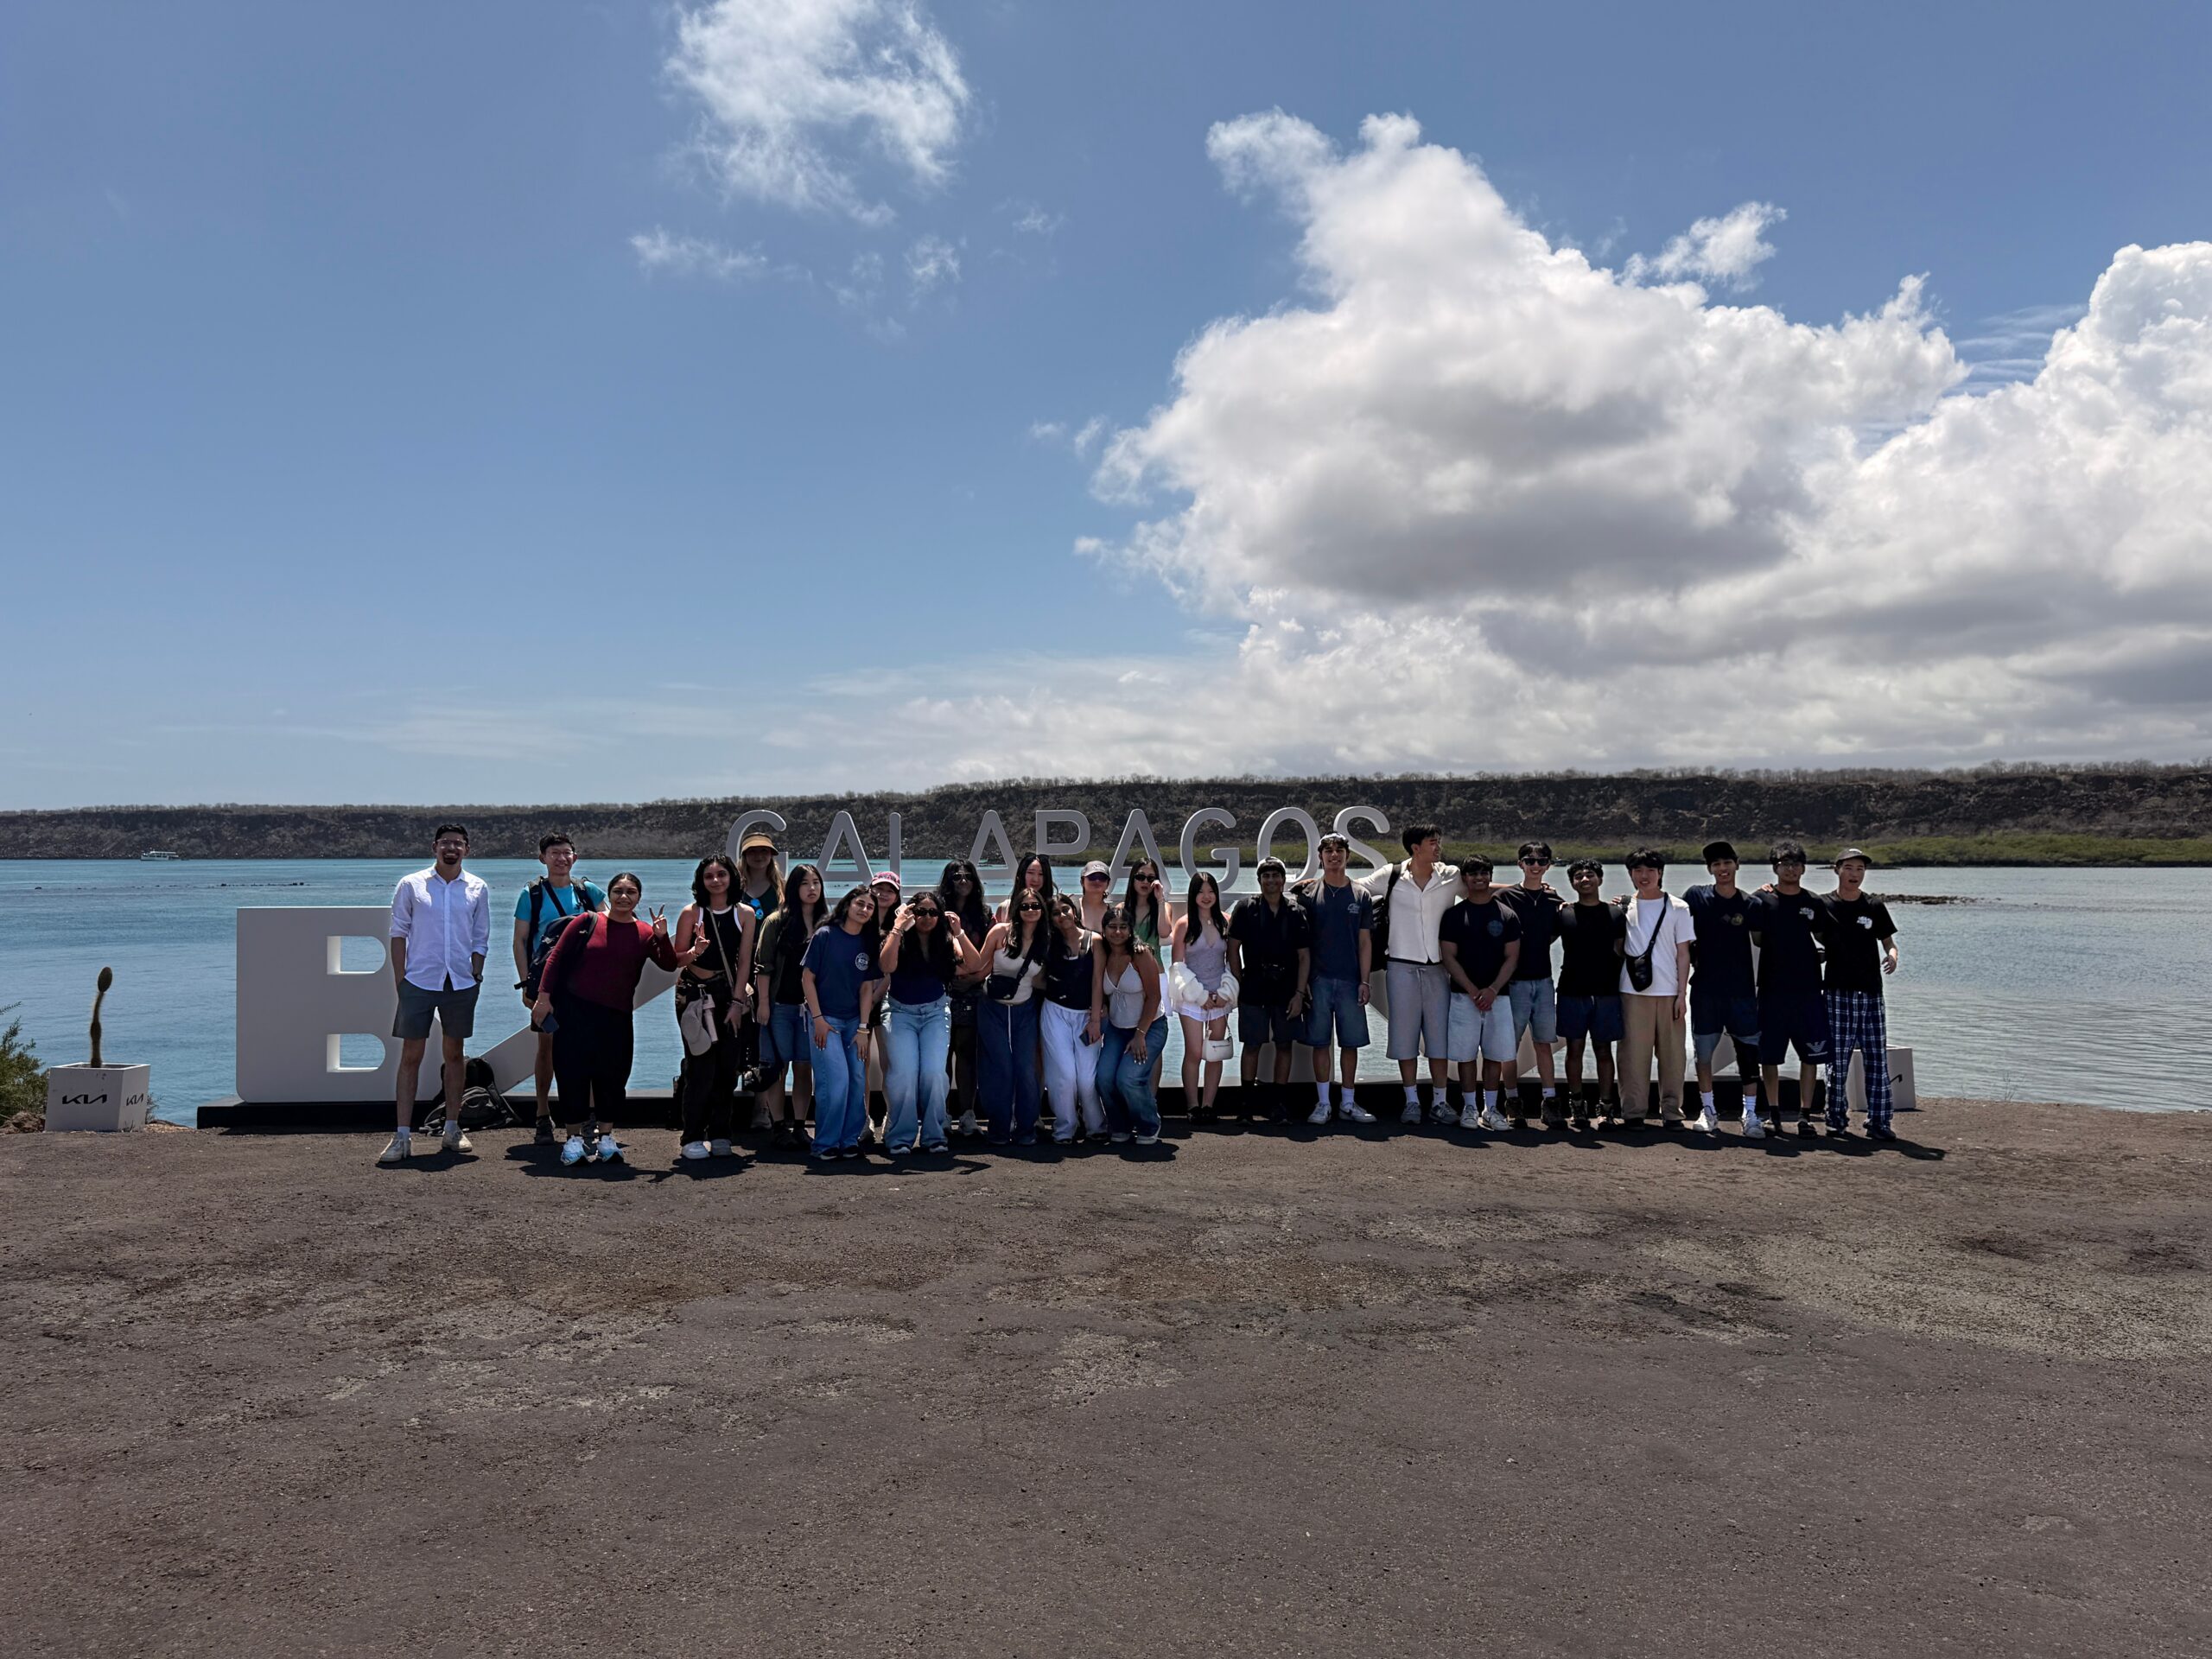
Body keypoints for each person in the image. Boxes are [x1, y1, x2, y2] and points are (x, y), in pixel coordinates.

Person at [531, 872, 703, 1166]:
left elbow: (667, 964)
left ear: (639, 898)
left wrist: (674, 943)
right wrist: (544, 998)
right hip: (575, 1011)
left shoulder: (644, 932)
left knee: (613, 1075)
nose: (624, 897)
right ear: (609, 894)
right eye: (618, 891)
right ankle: (573, 1139)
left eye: (631, 892)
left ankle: (606, 1138)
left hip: (617, 1016)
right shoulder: (586, 922)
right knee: (572, 1073)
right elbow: (556, 958)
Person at [381, 824, 493, 1165]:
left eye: (458, 844)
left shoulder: (477, 887)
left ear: (467, 850)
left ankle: (452, 1129)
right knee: (411, 1056)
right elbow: (398, 932)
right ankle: (402, 1136)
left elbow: (480, 935)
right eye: (446, 843)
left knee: (455, 1054)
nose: (451, 849)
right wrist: (401, 979)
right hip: (419, 981)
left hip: (460, 981)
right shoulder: (412, 885)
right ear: (435, 847)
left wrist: (476, 970)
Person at [511, 831, 605, 1144]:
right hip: (548, 984)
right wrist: (527, 984)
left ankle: (589, 1115)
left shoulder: (588, 891)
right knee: (547, 1049)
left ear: (575, 857)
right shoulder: (532, 894)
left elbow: (610, 927)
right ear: (543, 858)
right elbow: (521, 940)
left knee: (589, 1049)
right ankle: (542, 1115)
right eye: (554, 853)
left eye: (567, 853)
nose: (561, 859)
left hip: (587, 982)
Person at [1368, 823, 1461, 1125]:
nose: (1438, 847)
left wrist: (1524, 888)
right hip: (1400, 967)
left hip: (1438, 969)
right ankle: (1411, 1102)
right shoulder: (1392, 875)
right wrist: (1311, 884)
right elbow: (1355, 888)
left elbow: (1480, 889)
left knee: (1439, 1040)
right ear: (1415, 847)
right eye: (1432, 842)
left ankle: (1440, 1102)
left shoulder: (1450, 875)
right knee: (1404, 1038)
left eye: (1438, 841)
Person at [878, 888, 979, 1154]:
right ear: (911, 912)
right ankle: (900, 1137)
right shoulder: (898, 938)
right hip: (900, 1013)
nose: (926, 917)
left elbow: (974, 964)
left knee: (935, 1074)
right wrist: (898, 926)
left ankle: (934, 1135)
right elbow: (886, 966)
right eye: (920, 911)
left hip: (935, 1012)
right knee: (904, 1075)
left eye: (933, 912)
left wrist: (958, 931)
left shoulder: (945, 941)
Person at [1681, 840, 1769, 1138]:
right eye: (1716, 865)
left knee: (1748, 1053)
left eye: (1727, 863)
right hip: (1705, 990)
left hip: (1742, 992)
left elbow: (1765, 941)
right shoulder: (1696, 896)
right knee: (1703, 1054)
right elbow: (1668, 916)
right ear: (1710, 870)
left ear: (1736, 865)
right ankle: (1708, 1112)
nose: (1722, 869)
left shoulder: (1752, 904)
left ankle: (1751, 1114)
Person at [672, 855, 757, 1161]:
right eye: (709, 876)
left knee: (727, 1067)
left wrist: (737, 1003)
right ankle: (691, 1136)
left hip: (727, 991)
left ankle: (721, 1133)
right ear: (701, 881)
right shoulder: (691, 913)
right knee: (700, 1066)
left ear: (732, 877)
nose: (716, 881)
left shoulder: (745, 913)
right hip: (693, 993)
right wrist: (695, 951)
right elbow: (676, 960)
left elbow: (745, 961)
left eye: (722, 874)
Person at [1749, 842, 1832, 1139]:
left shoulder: (1814, 902)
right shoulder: (1761, 899)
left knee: (1811, 1055)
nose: (1791, 869)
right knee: (1768, 1056)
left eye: (1796, 864)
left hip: (1808, 990)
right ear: (1775, 868)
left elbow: (1825, 936)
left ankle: (1805, 1116)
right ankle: (1772, 1114)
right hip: (1772, 990)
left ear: (1804, 868)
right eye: (1784, 864)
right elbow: (1757, 939)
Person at [1819, 849, 1902, 1140]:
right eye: (1849, 868)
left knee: (1877, 1060)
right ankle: (1836, 1120)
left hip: (1870, 994)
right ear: (1837, 869)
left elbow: (1889, 942)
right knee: (1837, 1063)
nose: (1855, 874)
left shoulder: (1874, 905)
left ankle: (1879, 1122)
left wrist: (1892, 956)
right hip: (1837, 993)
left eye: (1860, 869)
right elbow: (1804, 930)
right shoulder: (1824, 904)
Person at [1295, 833, 1377, 1126]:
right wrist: (1301, 983)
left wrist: (1365, 981)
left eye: (1339, 850)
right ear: (1320, 856)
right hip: (1317, 980)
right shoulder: (1307, 894)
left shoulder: (1361, 896)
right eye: (1328, 851)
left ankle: (1348, 1102)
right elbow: (1300, 943)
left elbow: (1365, 942)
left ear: (1347, 855)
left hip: (1350, 980)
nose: (1334, 855)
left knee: (1350, 1044)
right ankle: (1322, 1103)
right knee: (1320, 1043)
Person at [1226, 856, 1311, 1124]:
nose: (1271, 880)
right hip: (1253, 987)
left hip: (1287, 989)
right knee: (1252, 1046)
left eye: (1276, 875)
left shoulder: (1296, 912)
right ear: (1260, 880)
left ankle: (1279, 1104)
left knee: (1284, 1046)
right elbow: (1232, 948)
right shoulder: (1245, 909)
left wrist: (1299, 994)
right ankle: (1246, 1106)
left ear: (1283, 880)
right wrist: (1239, 981)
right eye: (1266, 876)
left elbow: (1304, 957)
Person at [1440, 859, 1522, 1132]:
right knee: (1465, 1057)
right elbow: (1448, 957)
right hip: (1464, 998)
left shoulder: (1507, 915)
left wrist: (1493, 989)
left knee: (1495, 1056)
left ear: (1490, 876)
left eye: (1484, 873)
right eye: (1473, 873)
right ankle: (1469, 1108)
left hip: (1499, 997)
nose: (1479, 878)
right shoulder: (1453, 916)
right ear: (1464, 878)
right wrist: (1474, 990)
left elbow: (1512, 958)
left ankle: (1491, 1109)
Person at [1615, 849, 1695, 1128]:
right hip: (1633, 993)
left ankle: (1672, 1111)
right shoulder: (1623, 908)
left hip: (1669, 992)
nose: (1644, 876)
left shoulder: (1678, 908)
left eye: (1650, 870)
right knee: (1632, 1057)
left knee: (1673, 1057)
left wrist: (1681, 994)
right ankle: (1633, 1111)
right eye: (1638, 870)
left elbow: (1683, 953)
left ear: (1660, 873)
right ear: (1631, 874)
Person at [802, 887, 883, 1160]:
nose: (864, 910)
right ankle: (825, 1143)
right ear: (847, 905)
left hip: (853, 1024)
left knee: (857, 1081)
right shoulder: (825, 935)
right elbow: (807, 979)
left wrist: (863, 1029)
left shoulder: (868, 943)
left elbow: (865, 989)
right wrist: (818, 1020)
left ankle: (849, 1140)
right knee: (836, 1083)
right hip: (825, 1022)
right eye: (860, 903)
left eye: (870, 907)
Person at [752, 865, 828, 1150]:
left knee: (805, 1067)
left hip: (812, 1010)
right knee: (776, 1067)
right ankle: (778, 1126)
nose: (812, 888)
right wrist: (763, 1004)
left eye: (816, 882)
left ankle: (799, 1125)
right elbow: (764, 966)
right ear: (793, 888)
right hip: (779, 1005)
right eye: (805, 883)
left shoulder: (827, 923)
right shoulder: (776, 922)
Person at [1496, 841, 1566, 1128]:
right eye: (1529, 860)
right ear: (1520, 864)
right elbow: (1476, 889)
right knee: (1507, 1047)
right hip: (1513, 984)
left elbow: (1554, 934)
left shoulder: (1554, 902)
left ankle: (1550, 1103)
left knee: (1544, 1044)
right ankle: (1512, 1102)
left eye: (1541, 861)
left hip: (1544, 981)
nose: (1535, 865)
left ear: (1549, 865)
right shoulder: (1505, 897)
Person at [1554, 859, 1626, 1130]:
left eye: (1591, 875)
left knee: (1604, 1050)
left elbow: (1623, 949)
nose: (1585, 879)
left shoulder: (1616, 913)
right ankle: (1577, 1106)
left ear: (1600, 879)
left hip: (1607, 992)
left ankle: (1606, 1108)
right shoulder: (1563, 913)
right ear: (1572, 882)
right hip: (1573, 989)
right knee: (1574, 1050)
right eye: (1579, 876)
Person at [974, 888, 1049, 1143]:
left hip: (1025, 1010)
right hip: (992, 1008)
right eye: (1025, 906)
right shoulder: (1000, 933)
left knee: (1026, 1070)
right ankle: (998, 1128)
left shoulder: (1045, 940)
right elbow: (979, 966)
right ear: (1016, 908)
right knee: (1000, 1068)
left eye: (1035, 906)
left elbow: (1043, 980)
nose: (1030, 911)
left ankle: (1026, 1129)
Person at [1090, 903, 1166, 1147]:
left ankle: (1148, 1123)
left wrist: (1140, 1034)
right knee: (1103, 1078)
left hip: (1150, 1027)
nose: (1118, 932)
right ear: (1104, 929)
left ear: (1131, 930)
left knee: (1128, 1079)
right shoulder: (1102, 952)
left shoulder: (1141, 954)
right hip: (1116, 1028)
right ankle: (1120, 1125)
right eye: (1112, 927)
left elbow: (1155, 996)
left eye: (1123, 927)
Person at [1170, 871, 1237, 1122]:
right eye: (1201, 891)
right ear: (1193, 894)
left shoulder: (1226, 921)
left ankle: (1209, 1105)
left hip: (1220, 996)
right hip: (1191, 996)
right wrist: (1199, 996)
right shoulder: (1184, 924)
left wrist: (1224, 994)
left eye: (1211, 891)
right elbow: (1178, 964)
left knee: (1216, 1050)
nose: (1206, 896)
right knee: (1195, 1051)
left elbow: (1232, 962)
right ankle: (1192, 1106)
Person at [1040, 893, 1106, 1143]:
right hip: (1055, 1012)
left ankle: (1096, 1125)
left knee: (1087, 1078)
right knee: (1064, 1075)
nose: (1062, 915)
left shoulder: (1095, 941)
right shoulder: (1048, 943)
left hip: (1087, 1015)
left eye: (1065, 909)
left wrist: (1096, 1019)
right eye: (1055, 913)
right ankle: (1065, 1128)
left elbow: (1098, 981)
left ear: (1074, 910)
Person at [937, 861, 994, 1137]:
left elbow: (991, 953)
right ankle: (944, 1114)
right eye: (957, 876)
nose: (963, 881)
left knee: (968, 1055)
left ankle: (968, 1115)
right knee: (943, 1055)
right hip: (942, 991)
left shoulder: (984, 914)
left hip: (973, 991)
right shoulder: (935, 912)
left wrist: (976, 977)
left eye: (968, 876)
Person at [733, 830, 782, 1116]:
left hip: (771, 973)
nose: (759, 856)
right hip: (737, 971)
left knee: (768, 1038)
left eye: (765, 851)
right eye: (753, 851)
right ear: (744, 856)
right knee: (737, 1037)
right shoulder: (733, 889)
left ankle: (761, 1107)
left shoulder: (781, 891)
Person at [1122, 858, 1174, 957]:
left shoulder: (1164, 907)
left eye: (1151, 879)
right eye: (1140, 877)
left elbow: (1164, 933)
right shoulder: (1122, 909)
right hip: (1129, 969)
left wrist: (1160, 899)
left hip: (1156, 970)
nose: (1145, 882)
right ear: (1133, 878)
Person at [995, 853, 1055, 922]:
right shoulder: (1004, 908)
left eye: (1041, 874)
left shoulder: (1054, 908)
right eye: (1031, 873)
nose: (1036, 879)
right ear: (1022, 874)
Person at [1074, 859, 1116, 931]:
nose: (1097, 881)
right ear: (1082, 882)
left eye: (1102, 878)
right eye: (1092, 877)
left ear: (1108, 883)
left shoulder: (1113, 913)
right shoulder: (1073, 909)